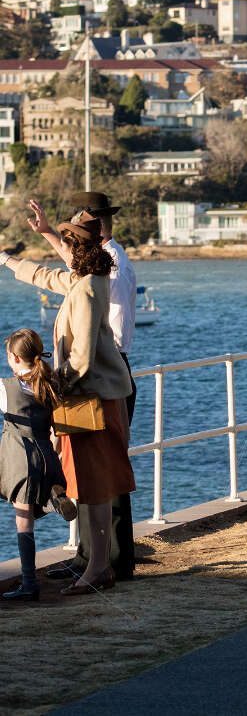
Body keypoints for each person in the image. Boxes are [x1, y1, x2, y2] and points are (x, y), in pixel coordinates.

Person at [0, 210, 135, 595]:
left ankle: (98, 568)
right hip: (89, 398)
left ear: (80, 248)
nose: (65, 250)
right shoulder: (82, 280)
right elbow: (46, 276)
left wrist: (50, 385)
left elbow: (84, 358)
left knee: (97, 485)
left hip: (96, 399)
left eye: (69, 243)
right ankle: (95, 565)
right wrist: (7, 260)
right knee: (91, 485)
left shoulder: (91, 287)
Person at [0, 329, 77, 602]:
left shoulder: (6, 387)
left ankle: (29, 584)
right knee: (33, 504)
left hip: (21, 463)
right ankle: (52, 497)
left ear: (13, 357)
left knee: (24, 523)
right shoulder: (50, 383)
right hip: (48, 458)